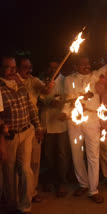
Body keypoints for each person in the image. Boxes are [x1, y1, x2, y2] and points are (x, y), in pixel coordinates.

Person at [62, 55, 107, 203]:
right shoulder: (68, 80)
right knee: (76, 155)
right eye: (82, 64)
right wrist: (65, 112)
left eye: (88, 64)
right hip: (74, 122)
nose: (86, 67)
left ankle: (93, 190)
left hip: (92, 121)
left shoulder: (96, 75)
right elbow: (67, 99)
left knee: (93, 154)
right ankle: (83, 183)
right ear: (75, 66)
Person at [0, 55, 42, 214]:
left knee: (26, 170)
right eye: (7, 67)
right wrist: (2, 140)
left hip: (26, 132)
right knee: (9, 173)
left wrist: (37, 127)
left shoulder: (20, 84)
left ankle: (25, 206)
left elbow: (30, 107)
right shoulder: (0, 89)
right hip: (10, 137)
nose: (11, 70)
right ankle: (11, 205)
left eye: (13, 67)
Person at [16, 55, 54, 203]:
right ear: (18, 69)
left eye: (30, 67)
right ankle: (20, 193)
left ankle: (32, 191)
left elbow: (44, 91)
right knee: (21, 165)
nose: (29, 70)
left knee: (35, 162)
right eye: (25, 67)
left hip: (34, 125)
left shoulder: (33, 80)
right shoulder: (12, 82)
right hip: (19, 126)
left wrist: (48, 87)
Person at [39, 58, 70, 197]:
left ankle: (62, 182)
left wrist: (64, 110)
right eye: (50, 68)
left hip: (61, 124)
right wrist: (47, 101)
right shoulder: (42, 80)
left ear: (60, 68)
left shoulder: (65, 81)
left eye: (55, 67)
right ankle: (50, 180)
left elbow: (70, 98)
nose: (53, 70)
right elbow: (38, 98)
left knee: (62, 154)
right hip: (46, 123)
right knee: (48, 154)